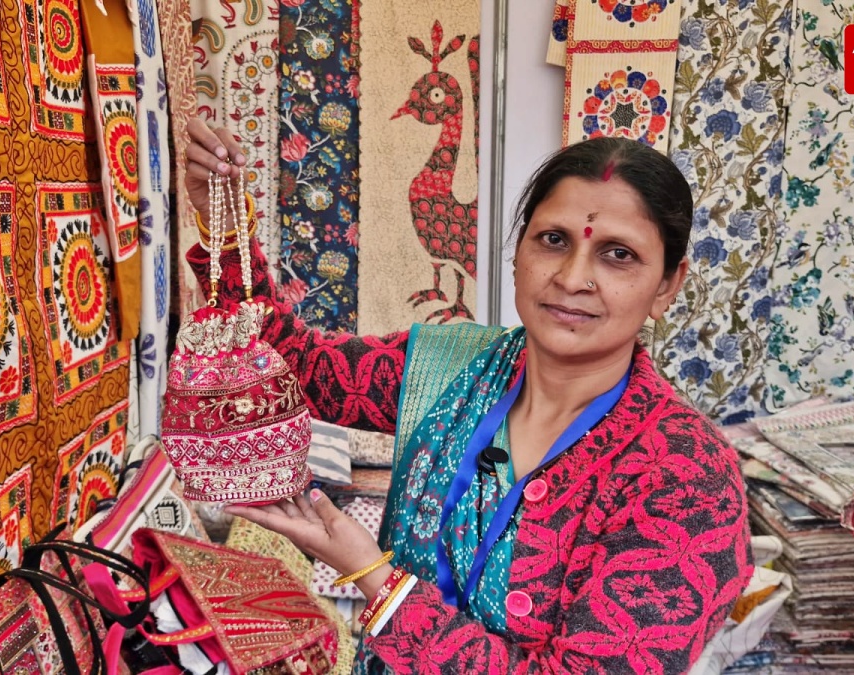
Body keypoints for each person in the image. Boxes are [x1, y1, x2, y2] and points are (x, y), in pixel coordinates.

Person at [180, 119, 753, 674]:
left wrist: (374, 579)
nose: (573, 277)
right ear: (518, 253)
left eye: (618, 254)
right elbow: (295, 365)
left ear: (667, 285)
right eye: (553, 240)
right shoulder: (449, 368)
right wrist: (224, 227)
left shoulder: (687, 475)